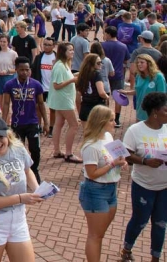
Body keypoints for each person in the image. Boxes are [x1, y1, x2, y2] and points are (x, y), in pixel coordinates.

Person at [0, 116, 44, 262]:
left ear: (8, 134)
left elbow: (27, 170)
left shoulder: (18, 148)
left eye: (1, 137)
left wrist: (37, 189)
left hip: (19, 219)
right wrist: (20, 198)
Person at [120, 92, 167, 262]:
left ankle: (156, 258)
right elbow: (126, 155)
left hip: (164, 187)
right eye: (166, 110)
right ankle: (126, 249)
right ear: (155, 112)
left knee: (161, 223)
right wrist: (145, 161)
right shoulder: (135, 131)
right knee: (140, 220)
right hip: (143, 185)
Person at [78, 105, 128, 262]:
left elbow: (115, 157)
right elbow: (92, 174)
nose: (114, 123)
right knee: (95, 235)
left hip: (111, 188)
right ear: (102, 121)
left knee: (100, 234)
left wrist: (121, 162)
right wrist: (113, 165)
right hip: (95, 191)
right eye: (111, 120)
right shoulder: (91, 146)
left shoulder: (107, 137)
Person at [2, 57, 48, 183]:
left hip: (32, 123)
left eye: (27, 70)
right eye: (21, 70)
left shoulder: (36, 85)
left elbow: (41, 104)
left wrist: (46, 123)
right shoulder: (9, 85)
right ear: (16, 69)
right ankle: (21, 173)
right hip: (17, 124)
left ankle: (34, 170)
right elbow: (6, 104)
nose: (24, 72)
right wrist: (3, 122)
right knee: (17, 150)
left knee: (35, 149)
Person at [48, 42, 82, 163]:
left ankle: (57, 151)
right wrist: (72, 80)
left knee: (59, 123)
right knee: (74, 125)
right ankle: (69, 153)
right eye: (70, 50)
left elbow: (67, 77)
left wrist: (77, 75)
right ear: (63, 52)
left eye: (73, 50)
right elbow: (57, 85)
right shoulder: (60, 66)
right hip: (63, 100)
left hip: (63, 99)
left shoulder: (65, 64)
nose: (72, 52)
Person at [119, 54, 167, 122]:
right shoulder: (139, 76)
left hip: (154, 113)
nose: (139, 64)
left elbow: (163, 96)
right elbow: (138, 90)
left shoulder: (158, 77)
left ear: (149, 63)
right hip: (140, 111)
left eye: (142, 62)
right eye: (138, 63)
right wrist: (126, 92)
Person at [102, 26, 131, 127]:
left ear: (109, 34)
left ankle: (106, 117)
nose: (104, 35)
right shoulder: (123, 46)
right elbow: (127, 60)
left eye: (105, 33)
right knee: (118, 97)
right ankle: (117, 119)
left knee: (105, 95)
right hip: (118, 74)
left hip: (104, 74)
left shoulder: (103, 45)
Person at [30, 37, 56, 137]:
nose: (46, 46)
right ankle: (39, 126)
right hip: (41, 87)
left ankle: (51, 128)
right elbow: (33, 71)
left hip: (53, 88)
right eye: (45, 44)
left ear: (53, 46)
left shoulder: (57, 58)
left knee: (53, 109)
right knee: (38, 107)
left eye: (49, 45)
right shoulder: (39, 57)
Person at [76, 54, 109, 129]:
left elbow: (79, 93)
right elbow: (101, 92)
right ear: (91, 64)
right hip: (97, 107)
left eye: (101, 62)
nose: (100, 64)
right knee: (98, 134)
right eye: (98, 63)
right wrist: (106, 97)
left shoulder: (82, 75)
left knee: (87, 134)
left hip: (85, 107)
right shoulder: (97, 74)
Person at [0, 34, 17, 115]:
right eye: (1, 41)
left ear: (8, 42)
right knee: (0, 99)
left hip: (8, 78)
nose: (2, 43)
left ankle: (10, 117)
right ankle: (5, 117)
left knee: (8, 100)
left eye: (4, 42)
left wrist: (7, 71)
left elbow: (16, 69)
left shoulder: (13, 53)